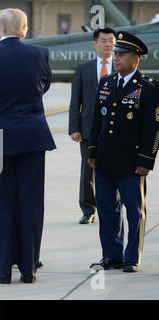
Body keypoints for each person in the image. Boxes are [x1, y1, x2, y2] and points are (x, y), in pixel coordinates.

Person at [0, 8, 55, 284]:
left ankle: (1, 268)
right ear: (25, 30)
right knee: (31, 203)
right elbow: (44, 85)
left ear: (0, 30)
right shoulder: (40, 54)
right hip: (31, 137)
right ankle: (28, 268)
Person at [88, 31, 159, 273]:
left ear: (135, 58)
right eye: (115, 54)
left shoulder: (148, 87)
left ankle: (132, 257)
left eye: (122, 54)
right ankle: (112, 255)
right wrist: (92, 152)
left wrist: (147, 160)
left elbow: (153, 129)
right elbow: (98, 121)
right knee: (107, 209)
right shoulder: (106, 82)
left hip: (132, 161)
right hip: (105, 159)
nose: (116, 58)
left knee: (134, 210)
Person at [69, 28, 116, 224]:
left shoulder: (122, 67)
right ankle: (88, 210)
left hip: (115, 129)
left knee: (114, 170)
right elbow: (75, 100)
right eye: (104, 41)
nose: (108, 44)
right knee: (88, 171)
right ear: (95, 44)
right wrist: (74, 128)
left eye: (111, 41)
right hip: (88, 129)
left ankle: (112, 208)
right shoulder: (84, 68)